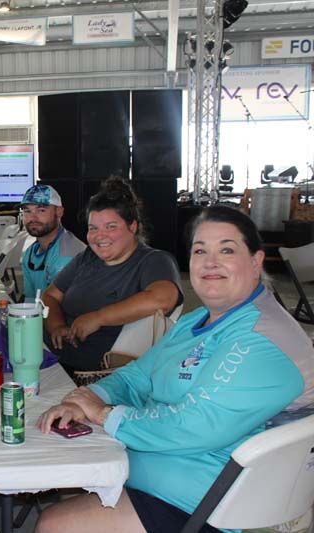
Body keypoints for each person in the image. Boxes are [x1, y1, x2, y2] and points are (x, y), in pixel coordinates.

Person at [35, 204, 314, 533]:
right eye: (200, 250)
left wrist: (104, 414)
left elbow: (195, 425)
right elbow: (139, 375)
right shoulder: (200, 319)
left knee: (53, 523)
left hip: (214, 503)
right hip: (168, 471)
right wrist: (87, 399)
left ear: (256, 261)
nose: (210, 262)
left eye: (227, 250)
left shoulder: (261, 338)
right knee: (63, 476)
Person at [42, 177, 182, 374]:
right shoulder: (87, 258)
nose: (100, 236)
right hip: (49, 354)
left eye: (111, 227)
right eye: (93, 228)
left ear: (132, 227)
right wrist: (56, 325)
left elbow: (163, 299)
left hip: (89, 373)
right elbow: (50, 295)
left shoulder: (153, 261)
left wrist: (99, 317)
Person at [20, 184, 86, 301]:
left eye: (41, 210)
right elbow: (30, 301)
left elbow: (66, 307)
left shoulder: (67, 256)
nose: (33, 218)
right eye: (27, 211)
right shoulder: (30, 254)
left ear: (59, 212)